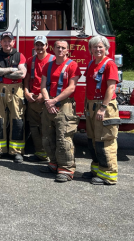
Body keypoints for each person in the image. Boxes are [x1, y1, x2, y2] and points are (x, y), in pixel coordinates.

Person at [40, 40, 81, 182]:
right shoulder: (48, 66)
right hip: (49, 104)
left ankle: (66, 169)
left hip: (65, 105)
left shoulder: (73, 65)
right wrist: (47, 101)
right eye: (57, 47)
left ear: (67, 51)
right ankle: (53, 164)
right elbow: (43, 86)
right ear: (53, 49)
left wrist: (54, 101)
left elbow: (71, 88)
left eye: (63, 48)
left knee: (64, 138)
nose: (60, 50)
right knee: (47, 137)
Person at [83, 35, 120, 185]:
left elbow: (111, 87)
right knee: (93, 140)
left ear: (106, 48)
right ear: (90, 49)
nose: (97, 49)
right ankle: (97, 170)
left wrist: (103, 108)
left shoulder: (110, 64)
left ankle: (109, 175)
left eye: (100, 47)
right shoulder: (92, 64)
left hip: (104, 107)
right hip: (92, 106)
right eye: (94, 46)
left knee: (105, 140)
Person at [0, 32, 27, 163]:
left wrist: (2, 72)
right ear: (1, 43)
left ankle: (17, 152)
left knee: (17, 119)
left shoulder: (20, 56)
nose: (7, 43)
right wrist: (11, 69)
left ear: (13, 42)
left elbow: (22, 74)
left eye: (9, 41)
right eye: (4, 41)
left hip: (17, 90)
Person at [23, 35, 55, 162]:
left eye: (42, 45)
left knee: (47, 127)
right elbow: (27, 79)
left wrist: (44, 95)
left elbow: (55, 81)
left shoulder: (53, 59)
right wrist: (26, 92)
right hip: (33, 98)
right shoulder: (31, 60)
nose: (40, 47)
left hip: (47, 99)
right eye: (37, 45)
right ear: (34, 46)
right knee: (34, 127)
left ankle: (51, 155)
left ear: (47, 46)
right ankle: (40, 153)